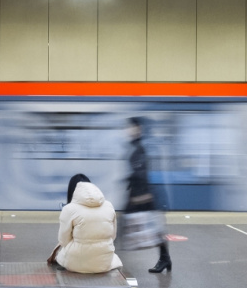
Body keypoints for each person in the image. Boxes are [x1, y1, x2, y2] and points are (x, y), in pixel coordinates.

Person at [50, 173, 123, 274]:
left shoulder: (69, 209)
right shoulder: (109, 205)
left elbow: (63, 241)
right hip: (104, 263)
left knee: (61, 254)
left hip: (75, 264)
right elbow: (113, 236)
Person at [127, 117, 170, 273]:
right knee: (155, 228)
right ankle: (165, 259)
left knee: (156, 228)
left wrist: (140, 196)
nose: (128, 130)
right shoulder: (138, 146)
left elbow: (143, 173)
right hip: (147, 193)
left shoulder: (143, 147)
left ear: (138, 128)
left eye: (131, 127)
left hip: (149, 194)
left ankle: (165, 259)